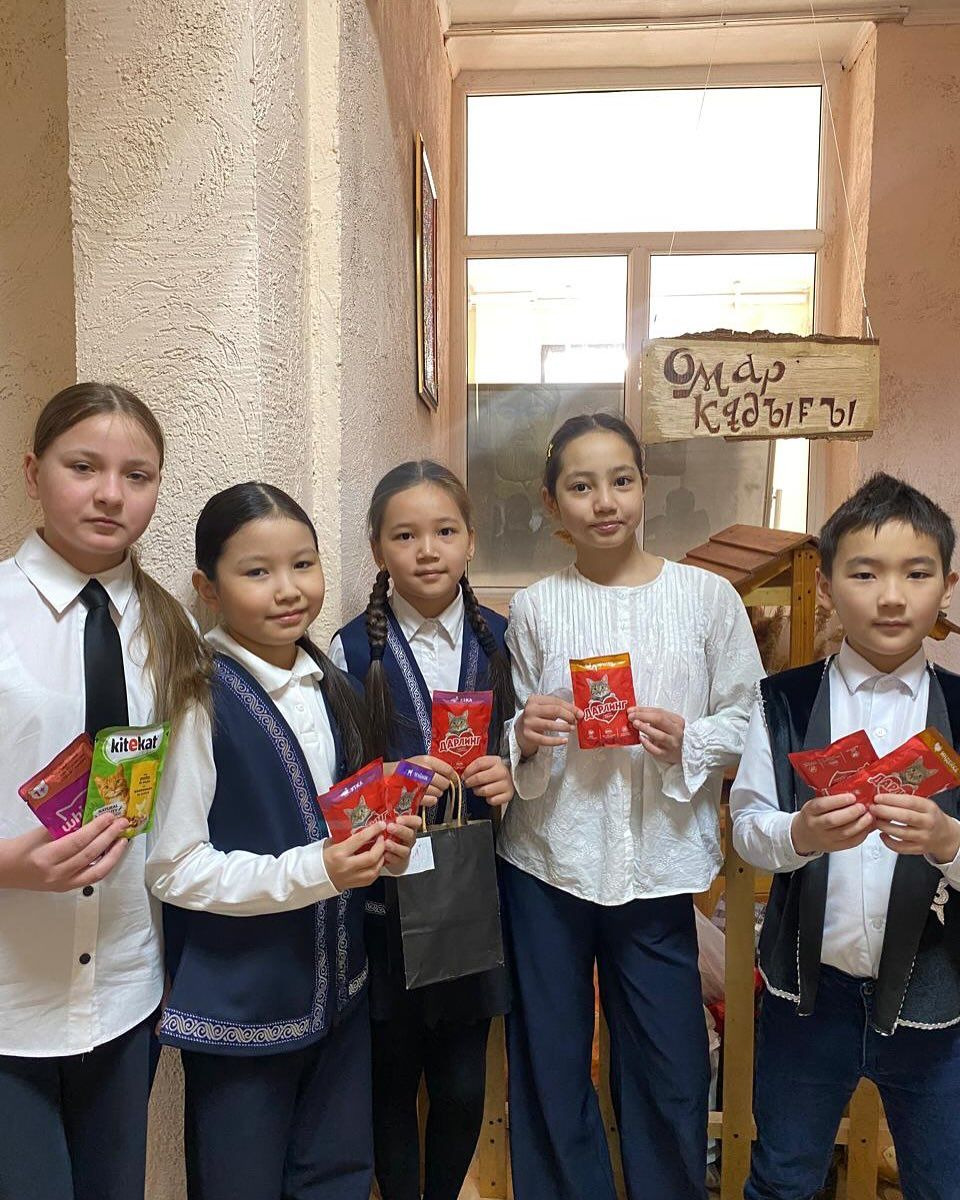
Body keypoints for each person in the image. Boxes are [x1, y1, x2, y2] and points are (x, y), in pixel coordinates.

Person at [499, 412, 764, 1200]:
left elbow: (751, 718)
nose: (604, 501)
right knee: (551, 1063)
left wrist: (692, 737)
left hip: (657, 865)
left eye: (620, 481)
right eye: (581, 486)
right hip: (548, 861)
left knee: (668, 1064)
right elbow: (513, 727)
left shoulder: (707, 599)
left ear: (644, 487)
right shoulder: (536, 607)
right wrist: (526, 734)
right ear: (553, 504)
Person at [146, 482, 419, 1200]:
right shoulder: (197, 697)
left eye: (303, 564)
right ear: (208, 588)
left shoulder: (332, 685)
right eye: (257, 571)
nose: (288, 589)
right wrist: (318, 870)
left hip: (340, 995)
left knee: (337, 1178)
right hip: (242, 1010)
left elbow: (341, 828)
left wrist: (385, 846)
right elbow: (173, 868)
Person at [0, 382, 209, 1200]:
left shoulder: (169, 629)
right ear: (33, 473)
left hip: (125, 990)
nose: (110, 494)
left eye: (137, 475)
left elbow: (177, 826)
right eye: (83, 467)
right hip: (10, 996)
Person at [731, 472, 960, 1200]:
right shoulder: (784, 700)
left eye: (916, 573)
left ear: (947, 586)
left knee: (943, 1181)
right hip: (808, 996)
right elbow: (748, 829)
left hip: (938, 997)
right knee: (782, 1178)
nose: (891, 596)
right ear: (827, 587)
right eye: (865, 574)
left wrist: (949, 842)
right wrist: (799, 832)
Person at [330, 460, 514, 1200]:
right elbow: (335, 778)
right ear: (377, 548)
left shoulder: (506, 640)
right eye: (405, 536)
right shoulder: (348, 651)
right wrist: (391, 784)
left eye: (445, 531)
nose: (427, 550)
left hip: (475, 895)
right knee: (390, 1081)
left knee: (464, 1087)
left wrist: (512, 772)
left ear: (471, 540)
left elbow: (532, 750)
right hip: (387, 895)